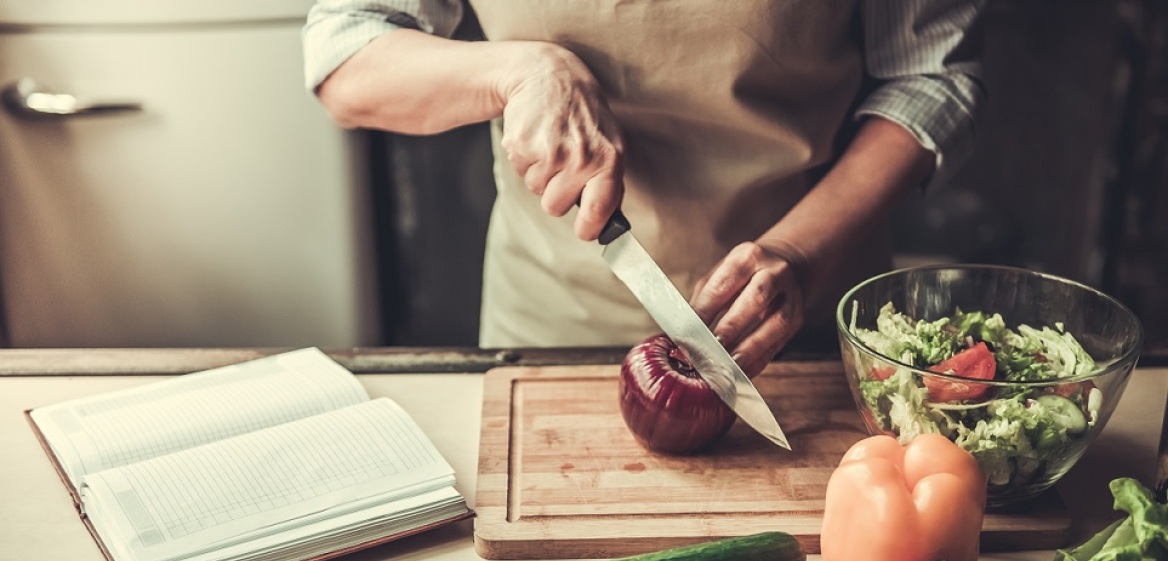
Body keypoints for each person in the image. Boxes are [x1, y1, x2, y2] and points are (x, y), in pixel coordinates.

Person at [302, 1, 985, 377]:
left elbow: (931, 76)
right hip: (551, 329)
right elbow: (346, 53)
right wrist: (517, 71)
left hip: (808, 325)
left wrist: (800, 253)